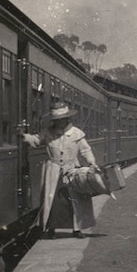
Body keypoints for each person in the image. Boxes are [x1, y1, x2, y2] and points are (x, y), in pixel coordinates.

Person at [22, 100, 99, 239]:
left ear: (66, 119)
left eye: (61, 120)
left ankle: (77, 229)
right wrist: (24, 136)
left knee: (75, 200)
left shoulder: (77, 133)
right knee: (53, 200)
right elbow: (36, 140)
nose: (58, 123)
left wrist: (92, 163)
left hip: (72, 170)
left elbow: (86, 150)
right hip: (53, 169)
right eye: (56, 120)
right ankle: (51, 229)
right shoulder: (47, 133)